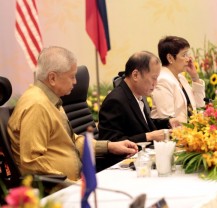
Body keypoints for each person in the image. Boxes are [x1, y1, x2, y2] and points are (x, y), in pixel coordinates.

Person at [7, 46, 138, 182]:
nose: (75, 82)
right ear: (52, 78)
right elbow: (32, 162)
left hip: (74, 183)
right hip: (56, 191)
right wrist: (71, 184)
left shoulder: (51, 100)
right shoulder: (36, 105)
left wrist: (109, 146)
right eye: (71, 76)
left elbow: (72, 141)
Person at [98, 51, 178, 169]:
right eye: (153, 78)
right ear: (136, 75)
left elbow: (143, 123)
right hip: (121, 167)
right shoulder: (115, 101)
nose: (156, 84)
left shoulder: (138, 94)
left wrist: (168, 122)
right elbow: (112, 145)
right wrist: (149, 136)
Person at [151, 36, 206, 123]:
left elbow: (200, 104)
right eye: (184, 55)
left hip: (188, 131)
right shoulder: (163, 80)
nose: (188, 59)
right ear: (170, 58)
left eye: (187, 54)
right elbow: (169, 119)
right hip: (173, 133)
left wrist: (195, 77)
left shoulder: (180, 77)